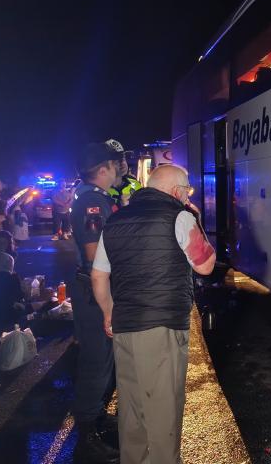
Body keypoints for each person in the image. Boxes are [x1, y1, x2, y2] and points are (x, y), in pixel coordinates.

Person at [91, 164, 216, 464]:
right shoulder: (181, 216)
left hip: (125, 329)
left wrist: (109, 312)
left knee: (132, 412)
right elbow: (206, 265)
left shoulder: (116, 220)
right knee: (163, 413)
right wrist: (197, 220)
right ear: (177, 191)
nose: (187, 196)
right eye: (186, 191)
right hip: (161, 330)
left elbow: (98, 277)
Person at [70, 142, 125, 463]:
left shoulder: (96, 198)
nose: (120, 168)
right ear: (103, 168)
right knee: (96, 362)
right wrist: (107, 307)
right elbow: (95, 256)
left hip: (95, 289)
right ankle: (87, 435)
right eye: (115, 164)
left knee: (104, 361)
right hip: (94, 292)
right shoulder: (93, 201)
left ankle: (96, 417)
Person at [105, 139, 142, 208]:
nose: (122, 163)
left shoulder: (135, 184)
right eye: (116, 160)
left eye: (123, 158)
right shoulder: (100, 189)